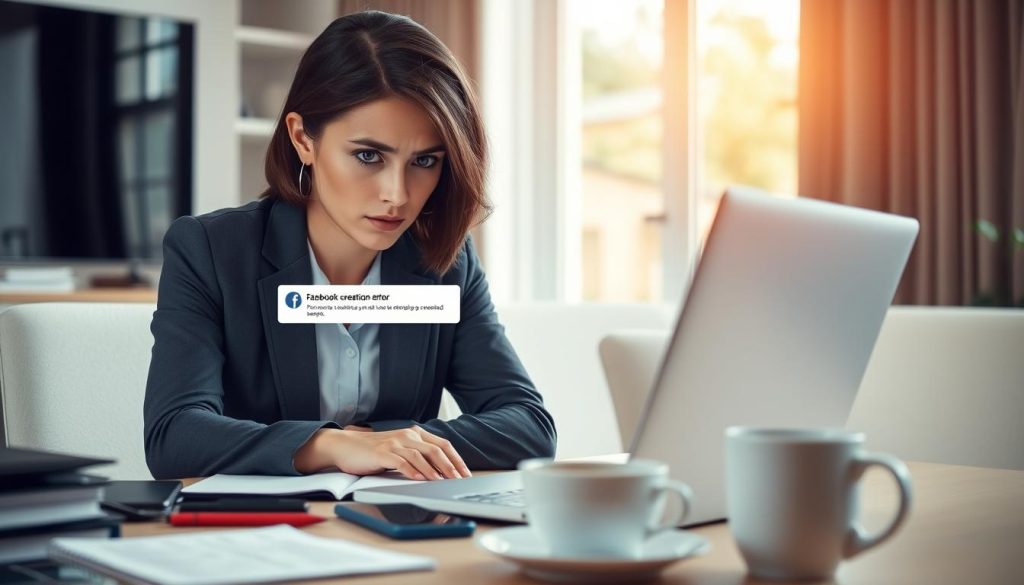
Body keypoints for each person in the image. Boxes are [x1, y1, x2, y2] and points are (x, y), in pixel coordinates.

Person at [143, 11, 557, 481]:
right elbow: (174, 435)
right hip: (259, 521)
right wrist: (332, 445)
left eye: (424, 161)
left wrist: (389, 442)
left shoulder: (445, 262)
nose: (397, 194)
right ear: (303, 139)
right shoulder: (210, 252)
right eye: (368, 155)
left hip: (395, 517)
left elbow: (529, 427)